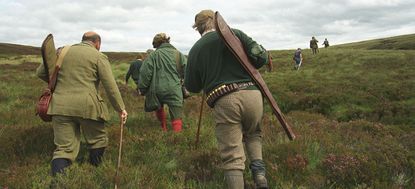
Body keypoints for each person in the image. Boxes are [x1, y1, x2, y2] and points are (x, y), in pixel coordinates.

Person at [185, 10, 269, 189]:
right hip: (254, 95)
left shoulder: (196, 50)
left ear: (198, 28)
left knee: (232, 155)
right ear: (216, 22)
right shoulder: (236, 34)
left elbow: (192, 86)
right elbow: (261, 58)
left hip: (226, 100)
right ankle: (260, 178)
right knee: (253, 134)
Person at [36, 31, 128, 176]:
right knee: (98, 139)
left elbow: (41, 72)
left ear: (83, 40)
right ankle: (94, 171)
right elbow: (110, 86)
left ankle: (59, 184)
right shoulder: (98, 56)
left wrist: (60, 86)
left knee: (63, 149)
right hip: (88, 106)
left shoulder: (62, 51)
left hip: (59, 106)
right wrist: (120, 108)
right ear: (97, 43)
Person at [138, 33, 187, 132]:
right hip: (175, 89)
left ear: (156, 44)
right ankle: (177, 138)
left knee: (158, 107)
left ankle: (163, 129)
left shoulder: (152, 56)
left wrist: (142, 89)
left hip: (157, 90)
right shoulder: (178, 54)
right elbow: (187, 71)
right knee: (176, 115)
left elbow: (145, 73)